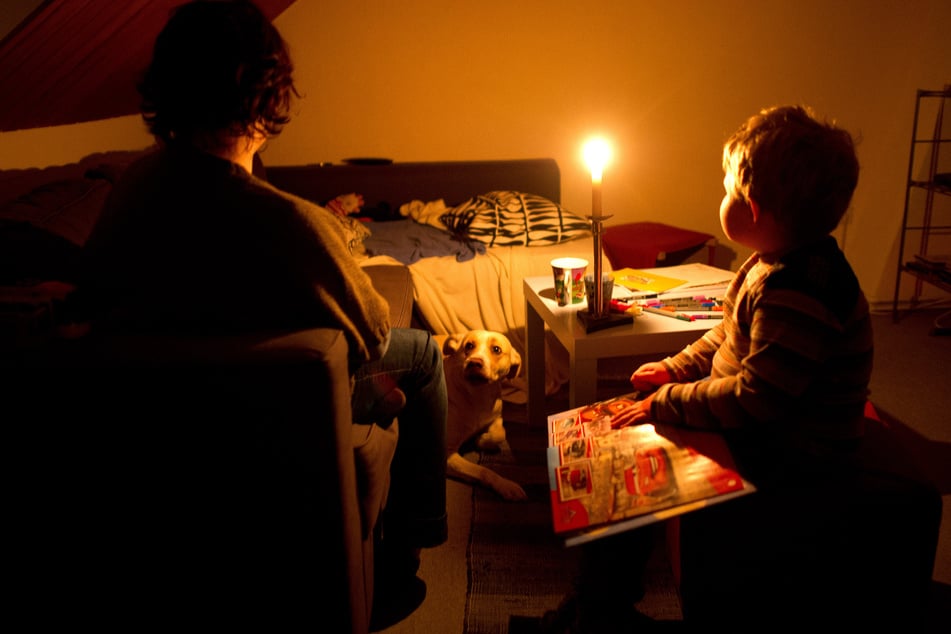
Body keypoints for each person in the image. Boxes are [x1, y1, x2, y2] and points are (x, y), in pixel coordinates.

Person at [77, 0, 447, 626]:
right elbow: (372, 329)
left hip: (156, 419)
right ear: (266, 98)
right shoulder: (291, 223)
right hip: (269, 403)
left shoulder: (130, 189)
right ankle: (402, 563)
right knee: (424, 352)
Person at [540, 105, 873, 632]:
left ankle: (599, 610)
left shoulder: (801, 289)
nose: (720, 197)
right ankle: (593, 601)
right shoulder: (770, 261)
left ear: (755, 209)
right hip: (760, 424)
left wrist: (664, 404)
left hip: (790, 449)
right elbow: (724, 336)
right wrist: (673, 369)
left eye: (726, 188)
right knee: (610, 436)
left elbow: (757, 398)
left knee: (630, 460)